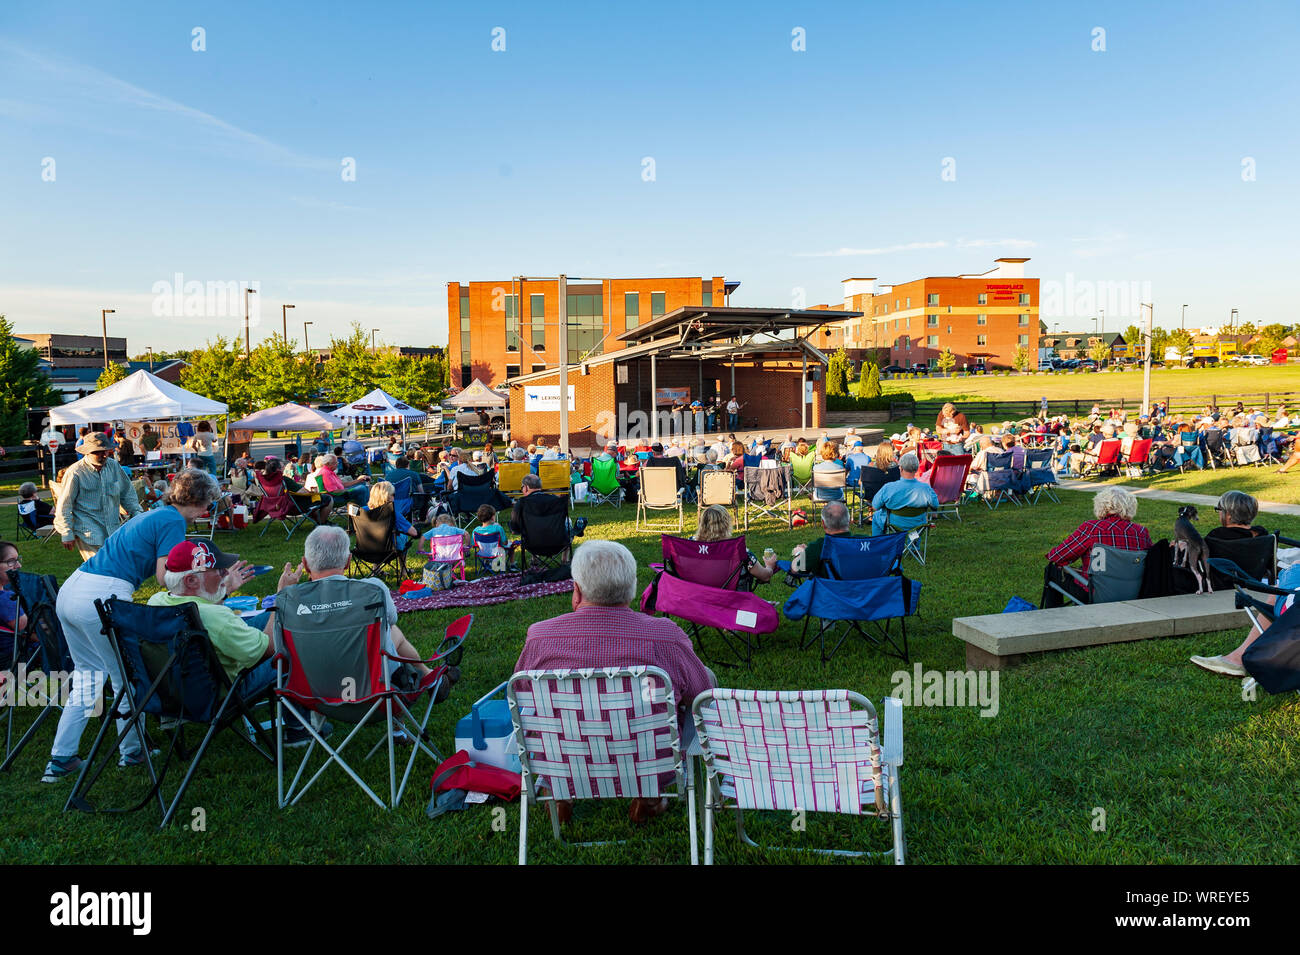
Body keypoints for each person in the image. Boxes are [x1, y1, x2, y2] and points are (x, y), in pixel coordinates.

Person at [42, 469, 226, 782]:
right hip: (101, 596)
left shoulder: (153, 514)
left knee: (88, 676)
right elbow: (164, 576)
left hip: (73, 589)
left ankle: (61, 758)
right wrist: (213, 587)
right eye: (207, 503)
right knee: (128, 676)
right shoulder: (172, 522)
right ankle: (132, 751)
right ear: (197, 501)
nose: (206, 511)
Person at [513, 539, 715, 823]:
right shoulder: (667, 636)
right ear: (631, 588)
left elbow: (520, 694)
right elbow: (704, 700)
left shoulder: (540, 637)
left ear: (577, 590)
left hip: (564, 762)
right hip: (648, 762)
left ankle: (561, 794)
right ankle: (649, 795)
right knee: (703, 678)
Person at [146, 541, 306, 731]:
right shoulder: (215, 617)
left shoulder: (157, 602)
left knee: (265, 619)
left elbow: (209, 618)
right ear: (191, 581)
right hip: (223, 692)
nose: (226, 573)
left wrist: (224, 590)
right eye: (219, 570)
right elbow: (270, 647)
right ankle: (300, 729)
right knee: (297, 648)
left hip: (177, 689)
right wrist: (281, 597)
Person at [1040, 486, 1151, 607]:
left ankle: (1055, 619)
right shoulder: (1141, 532)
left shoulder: (1092, 528)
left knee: (1052, 569)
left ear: (1101, 506)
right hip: (1132, 593)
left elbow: (1058, 556)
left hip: (1094, 594)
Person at [53, 432, 143, 561]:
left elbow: (127, 493)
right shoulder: (75, 472)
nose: (104, 455)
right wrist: (66, 532)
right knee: (100, 570)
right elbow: (64, 505)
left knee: (116, 568)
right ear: (87, 452)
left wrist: (137, 512)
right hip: (88, 532)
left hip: (112, 529)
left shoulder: (113, 466)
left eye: (105, 451)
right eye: (98, 452)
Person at [695, 504, 776, 583]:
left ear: (702, 523)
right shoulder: (739, 551)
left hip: (697, 594)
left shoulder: (691, 546)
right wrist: (769, 566)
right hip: (729, 595)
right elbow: (765, 576)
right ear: (726, 525)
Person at [870, 452, 939, 536]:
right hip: (917, 524)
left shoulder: (889, 487)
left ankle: (879, 544)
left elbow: (875, 506)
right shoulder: (926, 488)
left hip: (894, 523)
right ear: (917, 469)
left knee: (877, 515)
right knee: (918, 522)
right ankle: (913, 547)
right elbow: (935, 505)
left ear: (901, 468)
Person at [789, 501, 858, 576]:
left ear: (823, 524)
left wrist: (800, 553)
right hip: (863, 587)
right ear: (849, 521)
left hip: (831, 587)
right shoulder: (864, 543)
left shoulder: (819, 547)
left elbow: (795, 570)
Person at [0, 542, 31, 666]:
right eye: (11, 561)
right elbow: (33, 634)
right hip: (12, 656)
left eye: (18, 559)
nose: (18, 565)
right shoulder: (6, 600)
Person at [366, 480, 419, 550]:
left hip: (366, 546)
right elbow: (414, 533)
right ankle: (402, 561)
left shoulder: (362, 511)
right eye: (393, 495)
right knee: (403, 535)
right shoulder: (394, 514)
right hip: (388, 549)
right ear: (386, 497)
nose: (394, 498)